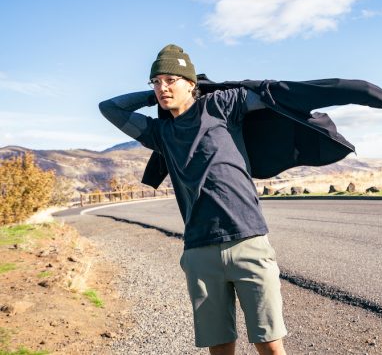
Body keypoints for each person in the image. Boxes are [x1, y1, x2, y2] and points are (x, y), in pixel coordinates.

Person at [99, 44, 287, 355]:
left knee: (268, 344)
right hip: (200, 251)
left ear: (191, 82)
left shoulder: (222, 108)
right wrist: (153, 96)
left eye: (171, 79)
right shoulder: (160, 133)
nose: (162, 87)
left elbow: (273, 95)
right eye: (156, 82)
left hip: (248, 242)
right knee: (220, 347)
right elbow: (110, 108)